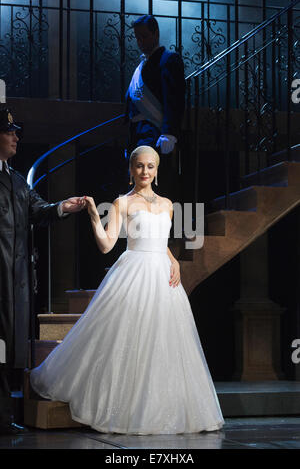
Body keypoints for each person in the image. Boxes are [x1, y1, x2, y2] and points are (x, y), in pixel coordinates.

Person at [30, 145, 224, 435]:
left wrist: (175, 262)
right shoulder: (122, 203)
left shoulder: (168, 204)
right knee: (129, 342)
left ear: (156, 171)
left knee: (165, 344)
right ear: (131, 169)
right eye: (139, 166)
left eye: (150, 166)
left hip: (162, 276)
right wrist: (95, 214)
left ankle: (160, 408)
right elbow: (107, 245)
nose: (145, 172)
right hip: (134, 271)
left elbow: (161, 241)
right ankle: (126, 407)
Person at [0, 107, 86, 434]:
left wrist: (64, 207)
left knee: (10, 348)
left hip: (16, 279)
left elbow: (39, 210)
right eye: (9, 132)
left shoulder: (17, 180)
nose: (16, 137)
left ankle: (4, 417)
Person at [125, 15, 186, 203]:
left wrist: (170, 133)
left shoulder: (168, 59)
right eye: (138, 37)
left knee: (153, 185)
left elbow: (174, 98)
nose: (140, 41)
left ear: (156, 33)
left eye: (144, 36)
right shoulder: (141, 66)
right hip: (138, 133)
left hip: (154, 133)